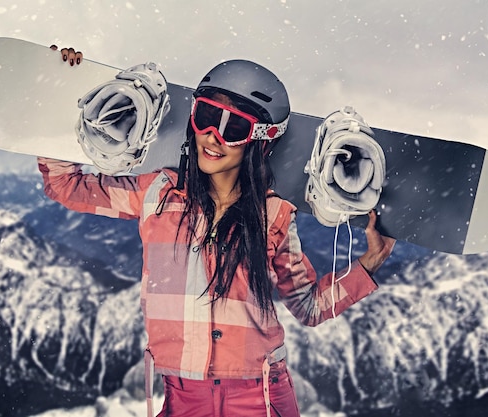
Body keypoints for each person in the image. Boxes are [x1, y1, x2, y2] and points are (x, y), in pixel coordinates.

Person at [40, 47, 395, 417]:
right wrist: (66, 87)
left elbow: (307, 306)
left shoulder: (272, 212)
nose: (213, 137)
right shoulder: (156, 193)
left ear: (259, 139)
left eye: (233, 127)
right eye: (207, 116)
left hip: (261, 397)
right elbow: (66, 185)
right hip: (181, 396)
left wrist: (369, 263)